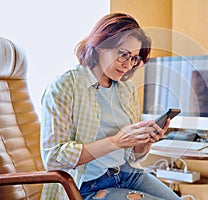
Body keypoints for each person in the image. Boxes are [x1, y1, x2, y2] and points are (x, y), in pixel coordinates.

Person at [40, 13, 182, 200]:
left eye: (134, 58)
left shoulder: (126, 88)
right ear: (100, 45)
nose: (128, 65)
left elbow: (132, 156)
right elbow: (53, 157)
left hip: (126, 174)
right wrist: (116, 141)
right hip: (85, 184)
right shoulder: (65, 86)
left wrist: (144, 142)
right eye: (123, 54)